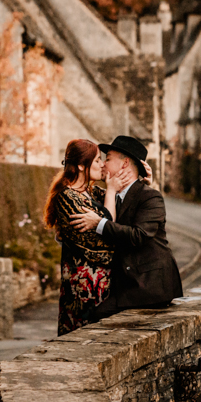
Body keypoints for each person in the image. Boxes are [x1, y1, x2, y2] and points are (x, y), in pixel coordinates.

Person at [70, 135, 183, 316]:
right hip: (125, 284)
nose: (103, 164)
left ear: (124, 164)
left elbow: (138, 235)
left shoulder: (150, 197)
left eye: (108, 159)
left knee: (96, 318)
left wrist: (99, 223)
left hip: (149, 285)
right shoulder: (112, 196)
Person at [44, 139, 127, 335]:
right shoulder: (68, 197)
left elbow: (121, 206)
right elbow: (104, 236)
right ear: (81, 165)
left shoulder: (90, 193)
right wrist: (111, 194)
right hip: (82, 291)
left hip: (102, 287)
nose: (102, 164)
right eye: (97, 160)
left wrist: (141, 180)